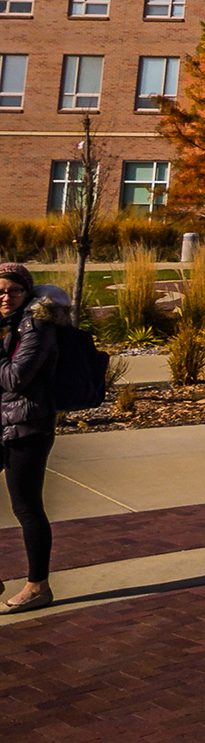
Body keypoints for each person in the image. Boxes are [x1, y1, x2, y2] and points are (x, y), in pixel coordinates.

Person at [0, 262, 56, 613]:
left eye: (13, 291)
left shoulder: (36, 327)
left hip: (27, 427)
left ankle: (38, 586)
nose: (5, 297)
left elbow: (14, 379)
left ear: (27, 292)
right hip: (1, 423)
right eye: (0, 291)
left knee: (27, 507)